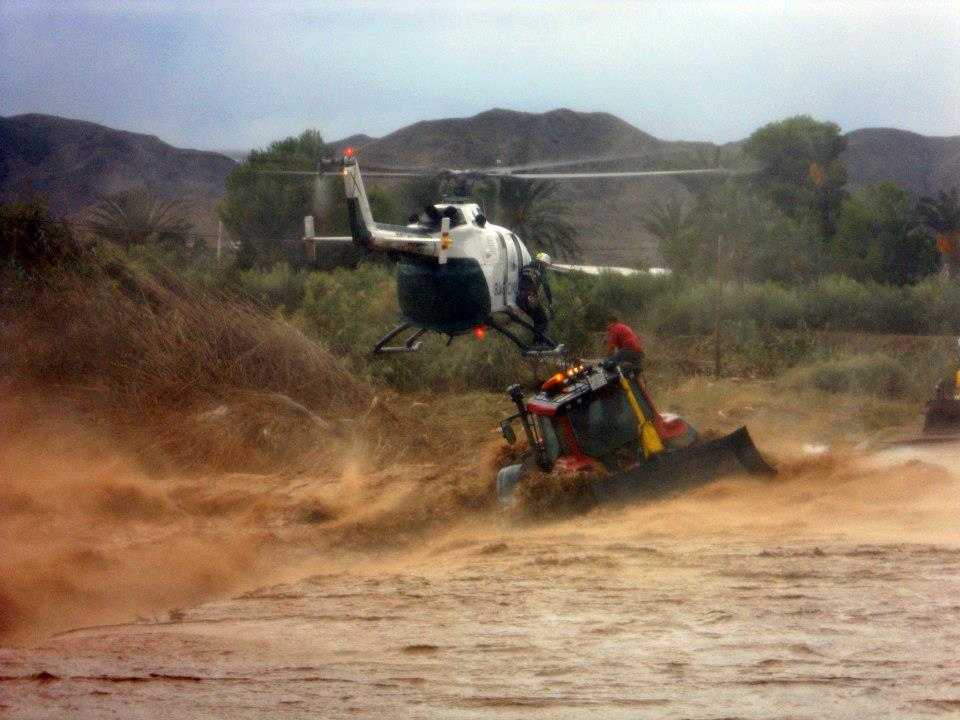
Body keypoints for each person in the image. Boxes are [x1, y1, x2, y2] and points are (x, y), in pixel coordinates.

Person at [517, 252, 554, 342]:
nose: (546, 267)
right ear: (543, 263)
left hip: (519, 299)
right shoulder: (541, 271)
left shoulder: (525, 268)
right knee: (543, 320)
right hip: (530, 299)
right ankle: (537, 344)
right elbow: (546, 288)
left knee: (537, 319)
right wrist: (550, 303)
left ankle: (536, 342)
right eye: (546, 265)